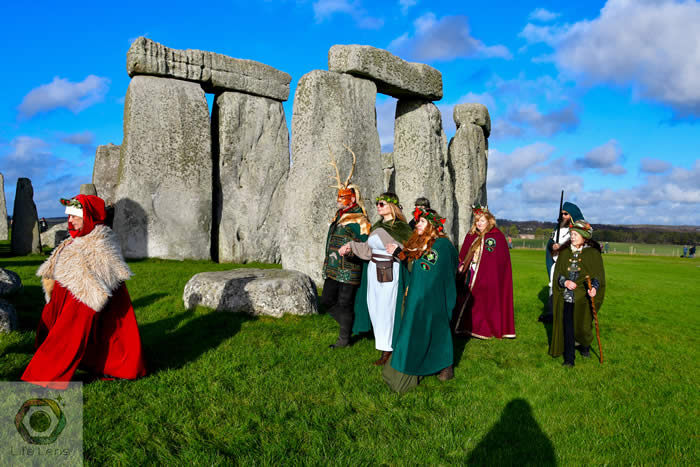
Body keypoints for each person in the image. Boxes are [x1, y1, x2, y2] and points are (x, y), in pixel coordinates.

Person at [21, 195, 147, 389]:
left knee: (75, 333)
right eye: (69, 216)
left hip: (83, 299)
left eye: (75, 216)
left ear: (88, 217)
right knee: (88, 333)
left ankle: (46, 373)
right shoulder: (75, 240)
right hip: (71, 297)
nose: (70, 220)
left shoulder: (99, 244)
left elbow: (88, 291)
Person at [382, 207, 458, 392]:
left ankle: (445, 366)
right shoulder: (421, 242)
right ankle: (437, 364)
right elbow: (413, 265)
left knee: (436, 330)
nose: (417, 225)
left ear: (432, 224)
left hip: (431, 298)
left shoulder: (441, 245)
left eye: (422, 222)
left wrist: (423, 296)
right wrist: (400, 253)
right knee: (421, 332)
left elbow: (433, 273)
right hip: (416, 296)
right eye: (418, 222)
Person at [339, 192, 412, 365]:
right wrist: (351, 246)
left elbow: (409, 251)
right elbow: (368, 249)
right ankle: (383, 344)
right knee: (375, 308)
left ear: (392, 206)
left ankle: (389, 348)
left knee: (387, 309)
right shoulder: (378, 225)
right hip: (374, 272)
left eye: (382, 204)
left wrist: (398, 249)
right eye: (377, 203)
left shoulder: (401, 228)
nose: (378, 206)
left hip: (389, 271)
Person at [321, 150, 371, 349]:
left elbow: (367, 244)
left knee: (345, 303)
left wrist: (351, 249)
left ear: (352, 199)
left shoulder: (361, 219)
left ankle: (344, 340)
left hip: (349, 268)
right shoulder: (339, 215)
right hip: (333, 267)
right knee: (326, 300)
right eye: (339, 196)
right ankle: (350, 325)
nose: (339, 199)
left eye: (343, 197)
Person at [453, 204, 515, 339]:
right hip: (471, 273)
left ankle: (484, 327)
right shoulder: (471, 235)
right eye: (477, 221)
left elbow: (498, 261)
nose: (479, 223)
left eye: (482, 220)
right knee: (468, 299)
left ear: (489, 221)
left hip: (488, 277)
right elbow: (464, 255)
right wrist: (462, 265)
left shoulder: (496, 237)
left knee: (483, 301)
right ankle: (467, 326)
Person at [549, 220, 605, 367]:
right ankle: (569, 359)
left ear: (584, 237)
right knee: (568, 327)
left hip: (584, 298)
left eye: (575, 234)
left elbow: (598, 275)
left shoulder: (592, 253)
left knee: (583, 327)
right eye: (571, 234)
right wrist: (565, 282)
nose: (572, 237)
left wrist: (594, 288)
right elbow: (558, 274)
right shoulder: (564, 252)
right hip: (567, 297)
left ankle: (585, 345)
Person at [539, 201, 585, 323]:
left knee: (569, 288)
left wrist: (562, 246)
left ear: (572, 214)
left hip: (571, 263)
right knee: (553, 285)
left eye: (565, 214)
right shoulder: (558, 227)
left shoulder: (580, 228)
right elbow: (551, 242)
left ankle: (570, 315)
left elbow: (579, 243)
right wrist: (552, 246)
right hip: (557, 262)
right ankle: (551, 313)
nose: (563, 216)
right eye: (562, 214)